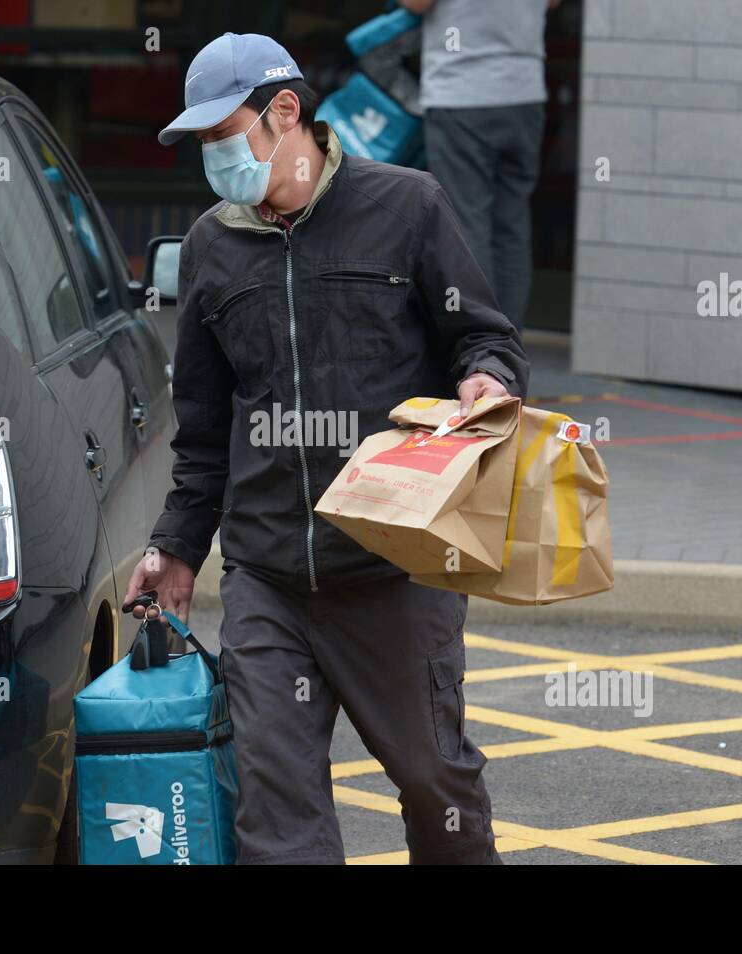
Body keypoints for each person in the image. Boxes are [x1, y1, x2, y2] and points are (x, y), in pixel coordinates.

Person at [124, 31, 529, 865]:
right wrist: (174, 546)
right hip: (269, 579)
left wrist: (485, 379)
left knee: (434, 786)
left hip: (394, 569)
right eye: (201, 142)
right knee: (278, 821)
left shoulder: (408, 207)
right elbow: (202, 426)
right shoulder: (211, 245)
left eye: (221, 133)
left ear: (284, 113)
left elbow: (481, 336)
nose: (213, 156)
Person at [401, 0, 559, 334]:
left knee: (467, 221)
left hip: (462, 92)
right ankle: (508, 343)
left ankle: (481, 345)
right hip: (525, 94)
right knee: (512, 225)